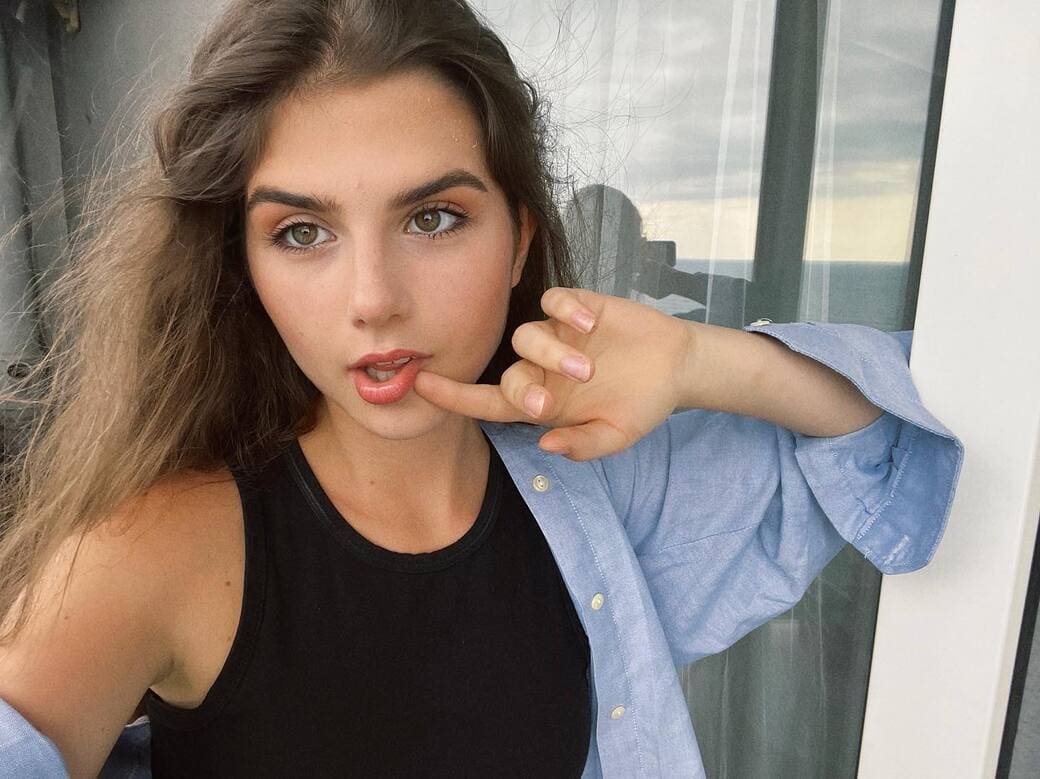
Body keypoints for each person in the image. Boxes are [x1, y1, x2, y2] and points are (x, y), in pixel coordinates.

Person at [0, 0, 963, 776]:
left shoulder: (596, 486)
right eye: (302, 232)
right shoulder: (153, 549)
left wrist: (697, 362)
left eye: (433, 218)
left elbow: (896, 440)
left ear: (518, 243)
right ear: (242, 268)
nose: (374, 300)